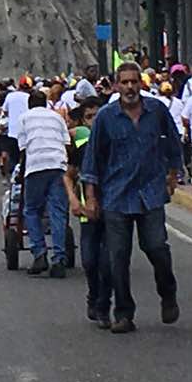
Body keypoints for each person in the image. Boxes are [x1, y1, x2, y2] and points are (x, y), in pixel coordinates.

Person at [81, 62, 182, 334]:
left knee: (157, 247)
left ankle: (167, 292)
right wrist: (91, 198)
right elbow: (92, 161)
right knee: (118, 257)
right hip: (116, 196)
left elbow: (173, 144)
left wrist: (173, 176)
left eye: (134, 82)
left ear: (141, 84)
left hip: (150, 193)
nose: (129, 87)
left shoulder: (157, 111)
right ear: (116, 85)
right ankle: (123, 313)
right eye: (124, 82)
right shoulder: (105, 117)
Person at [64, 97, 111, 327]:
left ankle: (105, 305)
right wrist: (73, 199)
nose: (95, 121)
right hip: (87, 213)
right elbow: (68, 175)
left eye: (98, 115)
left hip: (114, 211)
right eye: (90, 117)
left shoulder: (115, 141)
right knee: (90, 261)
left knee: (109, 261)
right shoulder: (82, 148)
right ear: (83, 121)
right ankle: (94, 295)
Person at [19, 89, 72, 277]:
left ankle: (39, 252)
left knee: (32, 210)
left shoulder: (24, 118)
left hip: (36, 166)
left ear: (29, 104)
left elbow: (24, 149)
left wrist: (20, 172)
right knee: (57, 212)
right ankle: (59, 258)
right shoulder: (56, 117)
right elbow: (66, 143)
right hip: (58, 164)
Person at [1, 77, 32, 176]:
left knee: (13, 158)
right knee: (25, 158)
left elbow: (5, 111)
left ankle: (13, 180)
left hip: (13, 132)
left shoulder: (10, 96)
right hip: (27, 132)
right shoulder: (29, 97)